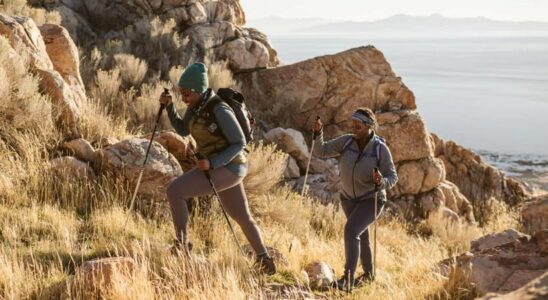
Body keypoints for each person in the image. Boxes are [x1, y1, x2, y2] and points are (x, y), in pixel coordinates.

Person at [160, 62, 276, 275]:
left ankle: (182, 247)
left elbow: (239, 142)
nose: (183, 98)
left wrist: (212, 163)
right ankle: (264, 260)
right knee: (241, 215)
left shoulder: (219, 109)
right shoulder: (195, 106)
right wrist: (169, 107)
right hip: (219, 166)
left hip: (231, 167)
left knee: (175, 191)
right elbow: (183, 129)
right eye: (181, 93)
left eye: (186, 94)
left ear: (198, 90)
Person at [312, 108, 398, 290]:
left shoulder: (379, 149)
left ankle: (348, 279)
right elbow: (321, 150)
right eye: (353, 125)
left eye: (358, 126)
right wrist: (319, 132)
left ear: (369, 126)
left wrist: (381, 182)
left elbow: (392, 176)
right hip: (348, 199)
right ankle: (368, 275)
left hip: (371, 199)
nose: (354, 129)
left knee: (351, 231)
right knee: (362, 235)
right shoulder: (346, 142)